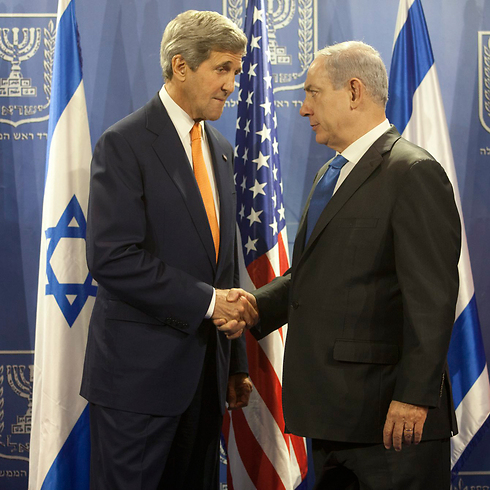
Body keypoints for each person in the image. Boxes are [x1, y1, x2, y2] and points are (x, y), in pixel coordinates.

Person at [217, 41, 461, 489]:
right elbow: (309, 274)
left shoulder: (413, 173)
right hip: (334, 418)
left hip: (391, 424)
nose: (304, 108)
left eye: (312, 93)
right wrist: (253, 307)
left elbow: (433, 302)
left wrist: (413, 398)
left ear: (353, 92)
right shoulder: (330, 173)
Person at [80, 10, 257, 490]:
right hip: (138, 384)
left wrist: (235, 363)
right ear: (181, 66)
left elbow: (224, 263)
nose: (230, 84)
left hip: (205, 381)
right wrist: (208, 302)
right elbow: (113, 257)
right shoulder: (125, 143)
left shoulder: (219, 147)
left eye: (236, 72)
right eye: (222, 69)